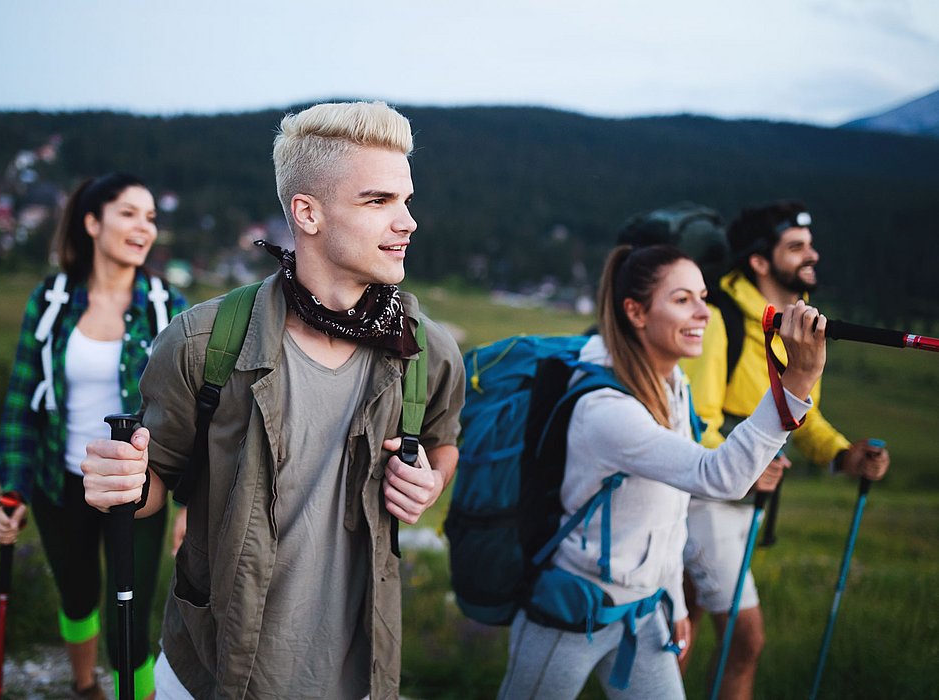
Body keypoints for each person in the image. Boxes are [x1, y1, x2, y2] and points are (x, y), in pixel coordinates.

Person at [81, 101, 465, 699]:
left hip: (360, 678)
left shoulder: (427, 351)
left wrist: (432, 480)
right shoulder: (202, 344)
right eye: (378, 201)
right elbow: (154, 484)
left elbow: (443, 444)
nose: (408, 221)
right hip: (211, 673)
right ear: (307, 213)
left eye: (407, 200)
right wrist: (123, 482)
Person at [497, 244, 829, 699]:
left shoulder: (675, 387)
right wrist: (796, 384)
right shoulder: (607, 410)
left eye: (703, 296)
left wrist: (670, 597)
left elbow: (671, 510)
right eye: (682, 300)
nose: (704, 313)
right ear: (635, 311)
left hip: (645, 613)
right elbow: (720, 478)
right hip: (572, 613)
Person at [0, 172, 187, 700]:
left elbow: (193, 420)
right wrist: (13, 490)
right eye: (128, 213)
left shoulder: (168, 307)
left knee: (131, 616)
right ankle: (83, 686)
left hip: (136, 490)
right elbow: (19, 404)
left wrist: (189, 503)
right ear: (92, 222)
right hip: (60, 483)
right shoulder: (50, 302)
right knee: (76, 598)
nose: (143, 227)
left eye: (150, 217)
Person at [678, 201, 890, 699]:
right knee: (745, 640)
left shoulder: (796, 323)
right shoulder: (720, 320)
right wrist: (745, 463)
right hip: (705, 499)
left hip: (741, 499)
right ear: (758, 261)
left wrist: (842, 455)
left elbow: (803, 411)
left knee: (681, 625)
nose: (811, 255)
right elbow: (695, 420)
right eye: (795, 247)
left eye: (809, 245)